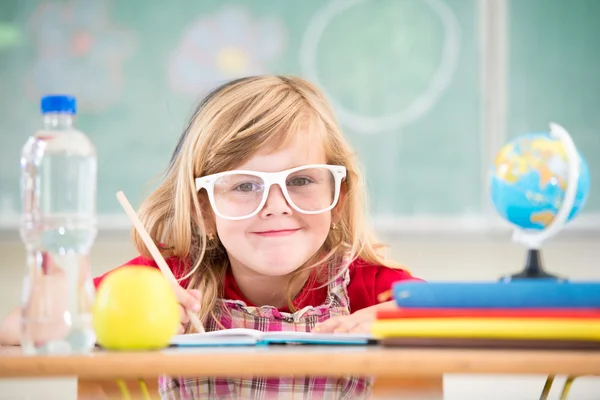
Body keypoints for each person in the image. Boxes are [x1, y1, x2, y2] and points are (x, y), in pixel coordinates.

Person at [1, 75, 423, 398]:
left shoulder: (370, 286)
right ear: (204, 211)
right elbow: (18, 327)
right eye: (244, 185)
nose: (276, 205)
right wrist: (116, 322)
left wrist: (409, 323)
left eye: (300, 180)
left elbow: (474, 320)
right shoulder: (164, 283)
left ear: (337, 199)